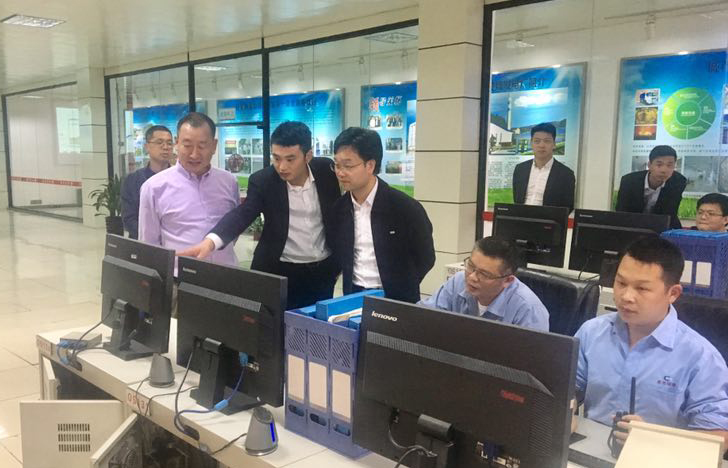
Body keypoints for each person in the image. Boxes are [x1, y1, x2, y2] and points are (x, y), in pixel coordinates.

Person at [574, 236, 728, 447]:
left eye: (642, 289)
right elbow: (565, 391)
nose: (626, 296)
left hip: (662, 457)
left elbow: (718, 436)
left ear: (673, 293)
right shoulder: (591, 332)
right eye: (621, 283)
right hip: (590, 451)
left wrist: (655, 439)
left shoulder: (700, 356)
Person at [178, 121, 341, 310]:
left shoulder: (327, 172)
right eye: (276, 158)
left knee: (317, 324)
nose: (282, 167)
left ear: (308, 156)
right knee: (275, 324)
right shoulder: (264, 181)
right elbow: (243, 213)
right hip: (279, 271)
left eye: (290, 159)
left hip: (322, 271)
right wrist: (211, 242)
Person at [330, 127, 435, 304]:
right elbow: (338, 253)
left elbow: (426, 257)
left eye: (348, 166)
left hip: (396, 299)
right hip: (353, 296)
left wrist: (403, 285)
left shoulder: (404, 207)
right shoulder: (339, 209)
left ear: (370, 165)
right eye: (337, 165)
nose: (340, 172)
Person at [139, 112, 239, 267]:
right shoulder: (153, 187)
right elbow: (149, 244)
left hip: (227, 274)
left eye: (202, 146)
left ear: (214, 145)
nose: (194, 154)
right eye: (187, 145)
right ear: (177, 143)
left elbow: (234, 228)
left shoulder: (229, 182)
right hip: (180, 276)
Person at [419, 237, 549, 331]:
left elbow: (532, 358)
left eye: (484, 274)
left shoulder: (529, 310)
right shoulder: (458, 281)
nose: (472, 277)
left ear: (507, 281)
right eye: (471, 266)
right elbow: (422, 317)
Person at [121, 125, 173, 239]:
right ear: (147, 147)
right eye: (159, 142)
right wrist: (154, 237)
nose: (165, 147)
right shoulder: (133, 180)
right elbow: (128, 219)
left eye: (169, 143)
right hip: (142, 242)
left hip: (174, 242)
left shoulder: (179, 179)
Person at [615, 145, 686, 229]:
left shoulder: (678, 182)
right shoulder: (629, 181)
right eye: (659, 165)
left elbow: (669, 213)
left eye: (669, 165)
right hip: (631, 225)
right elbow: (621, 212)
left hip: (663, 226)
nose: (664, 170)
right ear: (649, 165)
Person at [512, 122, 576, 211]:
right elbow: (517, 200)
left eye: (547, 141)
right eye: (537, 141)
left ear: (554, 144)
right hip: (521, 218)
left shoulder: (566, 174)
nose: (541, 145)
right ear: (531, 143)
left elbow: (567, 207)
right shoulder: (520, 169)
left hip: (548, 219)